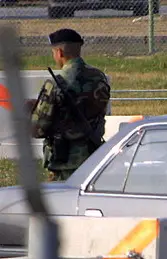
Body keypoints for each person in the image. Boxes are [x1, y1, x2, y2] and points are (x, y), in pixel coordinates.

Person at [29, 28, 110, 182]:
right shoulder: (99, 77)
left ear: (59, 52)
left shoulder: (56, 83)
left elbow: (37, 130)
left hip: (65, 164)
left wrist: (33, 111)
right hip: (94, 157)